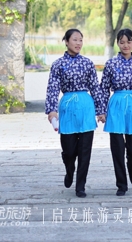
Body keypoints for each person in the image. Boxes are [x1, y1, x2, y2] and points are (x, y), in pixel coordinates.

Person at [45, 28, 107, 198]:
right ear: (66, 41)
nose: (78, 43)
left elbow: (95, 87)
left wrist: (101, 111)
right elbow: (52, 88)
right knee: (69, 150)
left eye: (81, 40)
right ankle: (69, 168)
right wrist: (52, 110)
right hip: (67, 108)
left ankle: (81, 186)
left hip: (86, 108)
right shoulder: (58, 64)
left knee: (85, 151)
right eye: (75, 40)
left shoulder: (87, 63)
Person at [100, 28, 132, 196]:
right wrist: (101, 110)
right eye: (122, 42)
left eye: (129, 42)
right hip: (116, 104)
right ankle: (121, 184)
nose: (125, 45)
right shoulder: (111, 64)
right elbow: (103, 88)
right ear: (117, 43)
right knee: (117, 148)